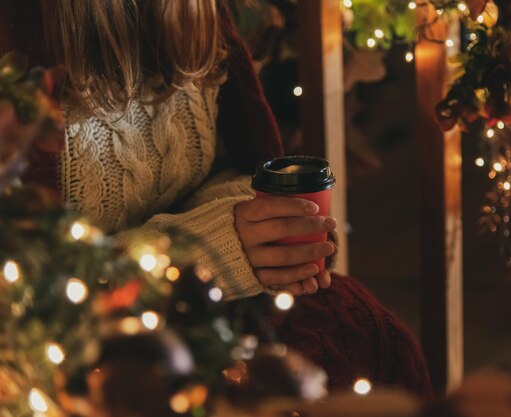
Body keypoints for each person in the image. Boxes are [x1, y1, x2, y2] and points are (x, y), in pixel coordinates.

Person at [0, 0, 432, 396]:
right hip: (71, 350)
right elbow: (28, 296)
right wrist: (215, 247)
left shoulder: (198, 13)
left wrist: (257, 225)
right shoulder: (16, 43)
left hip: (208, 305)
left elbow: (243, 160)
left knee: (375, 340)